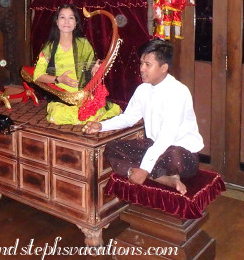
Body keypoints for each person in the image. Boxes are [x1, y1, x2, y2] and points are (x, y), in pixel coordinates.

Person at [82, 39, 204, 194]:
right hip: (154, 146)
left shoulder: (178, 92)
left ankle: (151, 173)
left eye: (148, 64)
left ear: (164, 68)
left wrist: (145, 169)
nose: (141, 68)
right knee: (112, 148)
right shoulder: (142, 90)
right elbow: (128, 118)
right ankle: (164, 179)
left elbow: (166, 138)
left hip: (182, 154)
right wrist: (101, 125)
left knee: (173, 156)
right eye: (141, 63)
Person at [33, 4, 120, 125]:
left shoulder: (83, 44)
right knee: (57, 114)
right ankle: (84, 118)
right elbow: (37, 76)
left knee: (97, 109)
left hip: (82, 95)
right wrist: (59, 79)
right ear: (57, 22)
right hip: (61, 97)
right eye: (62, 17)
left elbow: (91, 71)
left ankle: (86, 115)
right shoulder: (50, 47)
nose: (66, 21)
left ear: (75, 23)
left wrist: (95, 70)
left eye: (71, 18)